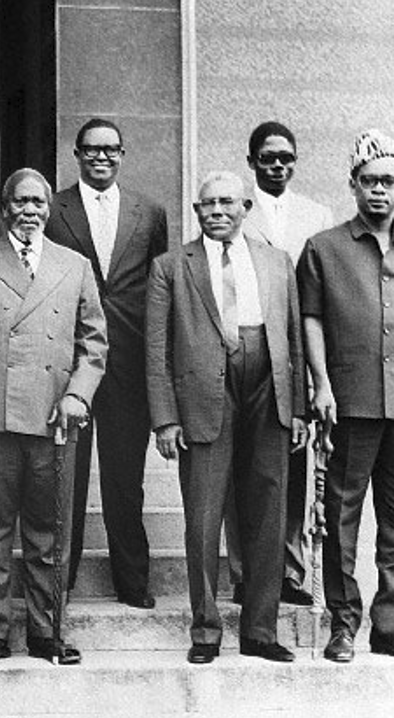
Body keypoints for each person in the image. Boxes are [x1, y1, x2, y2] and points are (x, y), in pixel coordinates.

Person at [0, 167, 107, 666]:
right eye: (20, 202)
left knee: (49, 531)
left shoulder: (75, 265)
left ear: (49, 209)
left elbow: (94, 343)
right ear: (4, 205)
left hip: (54, 416)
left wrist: (78, 395)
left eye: (38, 202)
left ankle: (47, 631)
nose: (29, 211)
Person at [298, 129, 394, 664]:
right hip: (349, 401)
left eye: (389, 181)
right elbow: (311, 320)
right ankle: (343, 626)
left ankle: (390, 627)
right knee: (341, 515)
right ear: (353, 185)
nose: (379, 190)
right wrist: (321, 384)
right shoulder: (324, 249)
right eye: (369, 181)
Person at [145, 171, 306, 665]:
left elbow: (293, 338)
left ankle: (260, 630)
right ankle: (206, 630)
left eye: (226, 202)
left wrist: (299, 409)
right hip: (203, 393)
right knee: (203, 515)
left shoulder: (277, 262)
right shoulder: (171, 266)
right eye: (207, 204)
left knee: (269, 511)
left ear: (245, 208)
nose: (216, 211)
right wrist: (165, 418)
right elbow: (156, 349)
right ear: (196, 211)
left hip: (268, 389)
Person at [45, 118, 167, 606]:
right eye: (92, 149)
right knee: (66, 476)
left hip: (129, 359)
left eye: (111, 149)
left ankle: (132, 581)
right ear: (76, 154)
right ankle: (60, 580)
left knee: (125, 478)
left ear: (122, 155)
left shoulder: (149, 212)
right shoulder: (54, 209)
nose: (102, 157)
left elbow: (156, 286)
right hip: (70, 357)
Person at [223, 120, 335, 607]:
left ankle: (289, 569)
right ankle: (244, 570)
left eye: (285, 158)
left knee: (291, 467)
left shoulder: (317, 215)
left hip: (295, 355)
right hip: (246, 352)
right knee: (240, 466)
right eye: (267, 158)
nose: (277, 166)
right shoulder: (235, 210)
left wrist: (317, 375)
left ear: (295, 162)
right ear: (252, 162)